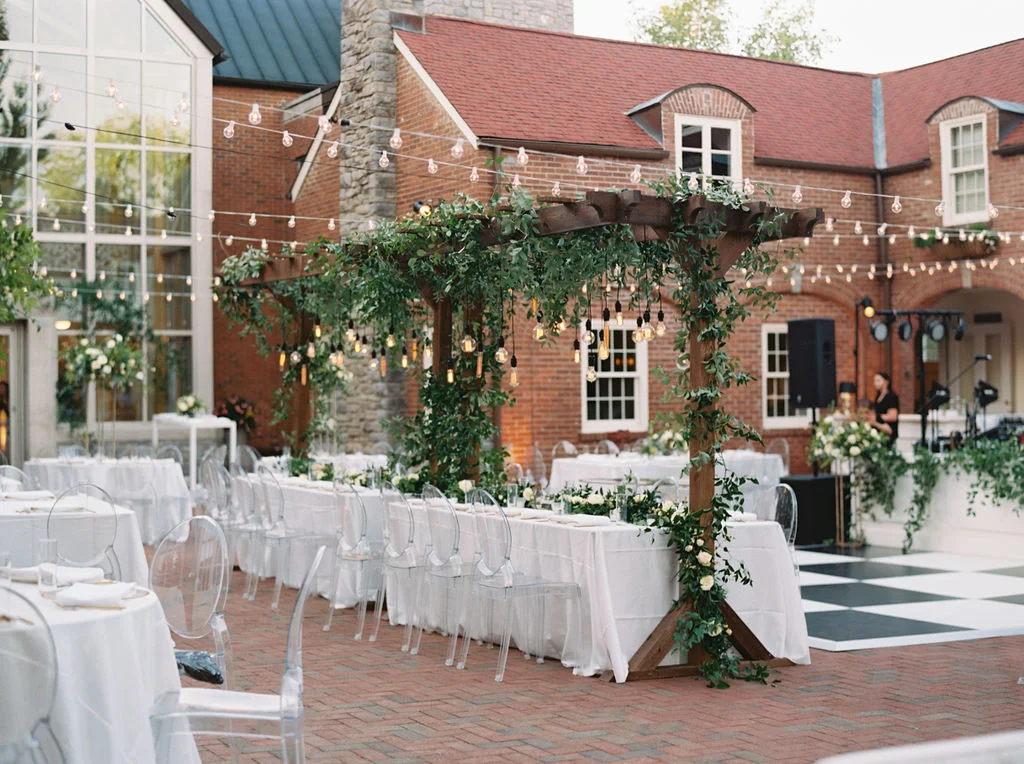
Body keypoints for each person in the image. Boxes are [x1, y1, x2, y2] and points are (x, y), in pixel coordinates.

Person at [870, 371, 899, 445]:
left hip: (888, 430)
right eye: (874, 381)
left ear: (886, 382)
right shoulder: (878, 397)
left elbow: (893, 416)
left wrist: (877, 417)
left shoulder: (891, 397)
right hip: (878, 430)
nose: (875, 383)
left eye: (878, 380)